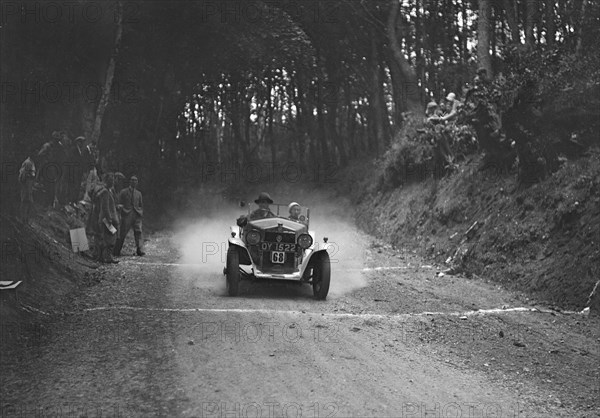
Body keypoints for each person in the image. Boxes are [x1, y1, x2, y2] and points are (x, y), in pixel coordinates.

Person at [114, 175, 145, 256]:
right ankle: (116, 251)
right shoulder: (123, 192)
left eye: (135, 180)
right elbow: (119, 202)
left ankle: (139, 250)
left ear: (137, 182)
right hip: (127, 214)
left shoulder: (139, 193)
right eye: (132, 180)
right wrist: (122, 210)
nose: (134, 182)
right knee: (122, 233)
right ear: (130, 182)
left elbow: (141, 205)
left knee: (138, 232)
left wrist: (140, 212)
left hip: (136, 214)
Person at [96, 173, 119, 263]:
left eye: (113, 180)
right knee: (112, 237)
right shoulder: (105, 191)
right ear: (107, 181)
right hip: (106, 219)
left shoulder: (108, 191)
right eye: (111, 180)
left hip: (105, 219)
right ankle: (107, 257)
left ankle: (102, 257)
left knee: (105, 237)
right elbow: (105, 207)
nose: (113, 182)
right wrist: (109, 219)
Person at [18, 156, 36, 224]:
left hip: (29, 183)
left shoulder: (31, 162)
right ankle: (23, 219)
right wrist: (25, 183)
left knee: (29, 201)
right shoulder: (28, 162)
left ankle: (26, 220)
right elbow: (23, 174)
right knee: (25, 201)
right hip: (26, 184)